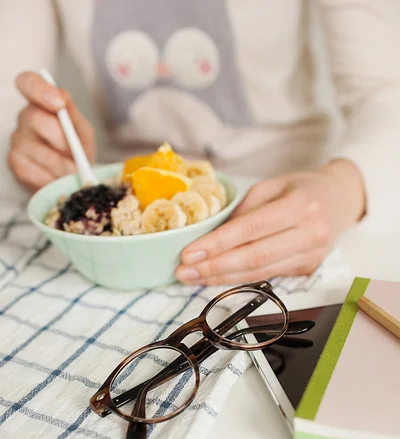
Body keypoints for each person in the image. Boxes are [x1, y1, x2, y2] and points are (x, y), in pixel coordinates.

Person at [1, 0, 400, 286]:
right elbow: (10, 100)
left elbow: (385, 92)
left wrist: (344, 187)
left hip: (287, 209)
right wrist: (27, 147)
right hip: (123, 223)